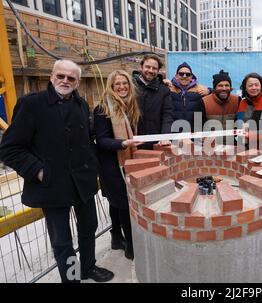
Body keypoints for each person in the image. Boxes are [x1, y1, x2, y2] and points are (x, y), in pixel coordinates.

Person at [0, 60, 114, 283]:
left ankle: (88, 267)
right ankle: (72, 279)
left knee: (88, 227)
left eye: (71, 78)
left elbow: (84, 141)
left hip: (82, 181)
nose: (65, 81)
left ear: (78, 82)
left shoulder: (80, 104)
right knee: (62, 240)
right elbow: (9, 148)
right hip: (52, 184)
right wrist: (38, 171)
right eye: (61, 76)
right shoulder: (32, 104)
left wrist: (93, 167)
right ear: (52, 77)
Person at [94, 70, 143, 261]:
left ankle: (115, 237)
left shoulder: (131, 106)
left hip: (127, 159)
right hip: (112, 164)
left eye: (125, 84)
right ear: (111, 87)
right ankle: (131, 247)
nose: (122, 87)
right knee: (123, 203)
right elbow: (102, 140)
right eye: (117, 85)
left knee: (116, 203)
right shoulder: (102, 109)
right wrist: (123, 144)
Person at [133, 55, 174, 149]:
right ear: (141, 67)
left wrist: (165, 136)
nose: (151, 70)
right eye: (147, 67)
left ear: (158, 70)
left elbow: (167, 115)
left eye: (154, 68)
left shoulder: (164, 90)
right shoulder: (130, 86)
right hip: (133, 142)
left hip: (156, 142)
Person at [237, 73, 262, 148]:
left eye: (256, 85)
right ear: (245, 88)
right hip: (244, 149)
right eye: (250, 85)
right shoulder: (242, 103)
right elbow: (240, 126)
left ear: (261, 86)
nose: (253, 87)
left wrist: (251, 135)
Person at [202, 70, 240, 145]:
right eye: (220, 85)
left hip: (231, 144)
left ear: (230, 87)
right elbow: (198, 126)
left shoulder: (237, 100)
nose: (224, 88)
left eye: (227, 85)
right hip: (210, 146)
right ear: (214, 88)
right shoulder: (204, 102)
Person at [169, 62, 210, 132]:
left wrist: (209, 90)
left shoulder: (199, 89)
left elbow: (217, 92)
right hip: (174, 134)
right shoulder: (169, 89)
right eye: (181, 74)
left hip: (193, 134)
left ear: (191, 77)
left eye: (188, 74)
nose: (184, 76)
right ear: (176, 76)